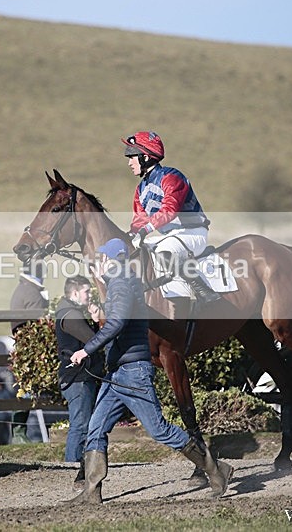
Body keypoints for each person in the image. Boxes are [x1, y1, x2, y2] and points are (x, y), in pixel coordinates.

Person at [68, 238, 232, 504]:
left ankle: (217, 469)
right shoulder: (119, 283)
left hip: (133, 372)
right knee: (95, 428)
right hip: (117, 373)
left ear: (112, 259)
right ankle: (91, 491)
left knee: (160, 431)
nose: (98, 263)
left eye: (102, 258)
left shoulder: (121, 282)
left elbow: (118, 323)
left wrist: (86, 350)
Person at [122, 130, 220, 305]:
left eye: (132, 157)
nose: (129, 162)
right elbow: (139, 219)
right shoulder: (141, 188)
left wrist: (146, 230)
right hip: (169, 236)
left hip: (192, 233)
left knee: (164, 250)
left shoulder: (172, 177)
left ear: (145, 157)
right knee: (138, 250)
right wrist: (130, 236)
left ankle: (204, 291)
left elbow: (170, 209)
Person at [55, 275, 104, 487]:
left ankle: (76, 467)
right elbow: (94, 342)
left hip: (78, 377)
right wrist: (98, 324)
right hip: (78, 378)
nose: (89, 295)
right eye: (86, 291)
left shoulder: (69, 312)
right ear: (74, 293)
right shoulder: (71, 315)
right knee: (81, 425)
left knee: (81, 424)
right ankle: (73, 468)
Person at [9, 262, 49, 444]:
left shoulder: (23, 288)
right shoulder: (32, 292)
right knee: (26, 391)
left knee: (24, 390)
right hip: (31, 349)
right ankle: (18, 433)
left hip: (23, 347)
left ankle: (18, 432)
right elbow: (40, 322)